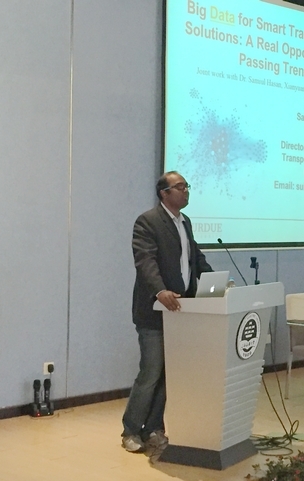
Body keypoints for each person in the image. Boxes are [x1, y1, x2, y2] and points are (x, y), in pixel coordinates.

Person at [121, 171, 213, 453]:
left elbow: (195, 259)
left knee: (167, 375)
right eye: (180, 187)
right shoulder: (148, 221)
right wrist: (160, 291)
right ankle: (130, 431)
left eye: (186, 186)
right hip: (154, 311)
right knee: (150, 373)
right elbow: (145, 261)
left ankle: (153, 429)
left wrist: (217, 281)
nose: (186, 191)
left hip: (181, 311)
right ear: (164, 193)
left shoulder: (185, 222)